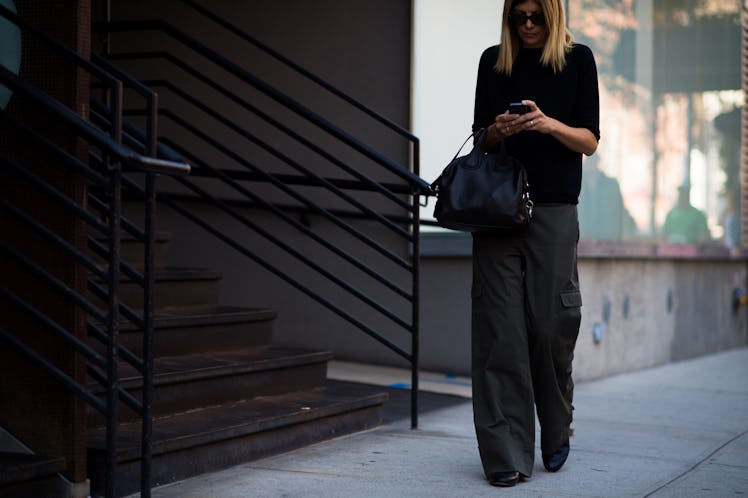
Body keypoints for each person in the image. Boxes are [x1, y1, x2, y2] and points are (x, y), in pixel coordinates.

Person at [470, 0, 599, 488]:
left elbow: (589, 140)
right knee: (499, 332)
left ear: (553, 16)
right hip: (497, 213)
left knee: (551, 325)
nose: (526, 25)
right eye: (517, 17)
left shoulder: (578, 60)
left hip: (553, 210)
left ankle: (557, 418)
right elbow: (479, 137)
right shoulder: (492, 61)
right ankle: (506, 453)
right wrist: (496, 132)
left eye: (535, 16)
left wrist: (547, 124)